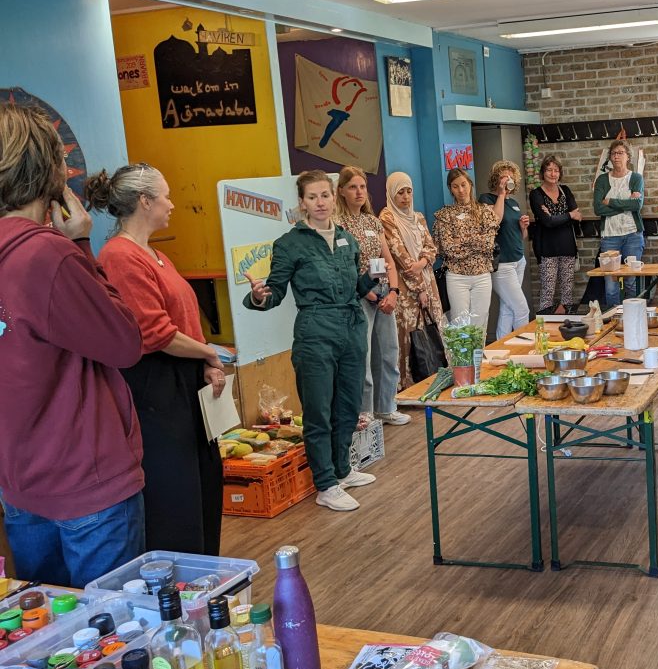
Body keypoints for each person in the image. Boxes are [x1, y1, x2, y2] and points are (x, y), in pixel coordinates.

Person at [0, 103, 145, 586]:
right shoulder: (47, 254)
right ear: (45, 169)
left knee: (53, 646)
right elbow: (124, 342)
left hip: (20, 481)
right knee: (113, 641)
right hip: (86, 481)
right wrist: (81, 244)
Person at [88, 164, 225, 555]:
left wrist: (204, 362)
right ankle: (180, 592)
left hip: (186, 381)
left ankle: (207, 579)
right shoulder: (119, 256)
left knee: (204, 485)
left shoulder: (156, 254)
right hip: (157, 391)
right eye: (165, 195)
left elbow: (183, 321)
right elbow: (154, 333)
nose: (172, 204)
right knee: (177, 497)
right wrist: (209, 352)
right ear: (145, 201)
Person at [244, 170, 377, 513]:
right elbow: (274, 292)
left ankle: (342, 470)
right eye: (313, 197)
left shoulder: (349, 239)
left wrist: (373, 286)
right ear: (302, 203)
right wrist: (260, 295)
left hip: (351, 326)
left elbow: (358, 283)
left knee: (347, 405)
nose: (320, 202)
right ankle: (326, 484)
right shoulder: (289, 244)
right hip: (315, 330)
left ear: (335, 198)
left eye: (325, 195)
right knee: (319, 410)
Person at [334, 166, 408, 427]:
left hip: (384, 292)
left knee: (389, 351)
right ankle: (365, 411)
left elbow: (388, 260)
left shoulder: (372, 222)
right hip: (358, 295)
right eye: (353, 187)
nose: (359, 192)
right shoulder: (337, 225)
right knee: (362, 355)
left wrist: (394, 292)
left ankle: (387, 406)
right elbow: (344, 267)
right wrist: (368, 294)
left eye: (362, 187)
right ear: (341, 191)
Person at [379, 171, 444, 389]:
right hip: (406, 288)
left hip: (427, 281)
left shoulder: (418, 218)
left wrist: (423, 262)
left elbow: (431, 247)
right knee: (408, 337)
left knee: (432, 330)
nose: (405, 197)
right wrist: (419, 287)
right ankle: (408, 385)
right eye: (400, 193)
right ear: (391, 194)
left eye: (408, 192)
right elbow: (399, 255)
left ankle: (434, 378)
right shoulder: (387, 218)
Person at [433, 167, 498, 329]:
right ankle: (461, 356)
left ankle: (477, 354)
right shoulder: (445, 215)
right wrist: (477, 238)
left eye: (463, 185)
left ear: (470, 184)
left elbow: (488, 244)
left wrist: (461, 239)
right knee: (460, 324)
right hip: (457, 277)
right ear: (450, 189)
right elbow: (448, 249)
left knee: (479, 324)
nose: (461, 190)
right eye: (455, 186)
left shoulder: (485, 211)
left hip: (482, 275)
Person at [480, 160, 531, 337]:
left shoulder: (514, 203)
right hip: (502, 264)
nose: (507, 180)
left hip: (518, 260)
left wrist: (523, 227)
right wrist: (501, 194)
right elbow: (495, 220)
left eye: (510, 177)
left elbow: (520, 237)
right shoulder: (486, 199)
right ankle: (524, 348)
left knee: (508, 307)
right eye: (504, 177)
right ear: (496, 179)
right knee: (521, 308)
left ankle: (500, 348)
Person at [593, 140, 645, 307]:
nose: (616, 156)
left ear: (628, 156)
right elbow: (598, 209)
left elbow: (637, 205)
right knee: (611, 285)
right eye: (614, 153)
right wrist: (625, 205)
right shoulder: (602, 180)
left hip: (632, 236)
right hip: (609, 237)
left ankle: (633, 318)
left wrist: (610, 201)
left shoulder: (636, 178)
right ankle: (614, 320)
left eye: (620, 153)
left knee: (631, 282)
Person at [529, 154, 581, 314]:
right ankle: (543, 329)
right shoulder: (536, 194)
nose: (553, 174)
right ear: (543, 173)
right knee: (547, 293)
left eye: (556, 170)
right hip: (547, 250)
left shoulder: (565, 190)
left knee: (567, 294)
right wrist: (568, 215)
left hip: (568, 248)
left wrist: (555, 216)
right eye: (549, 170)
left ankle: (567, 329)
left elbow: (577, 217)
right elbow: (547, 222)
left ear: (560, 173)